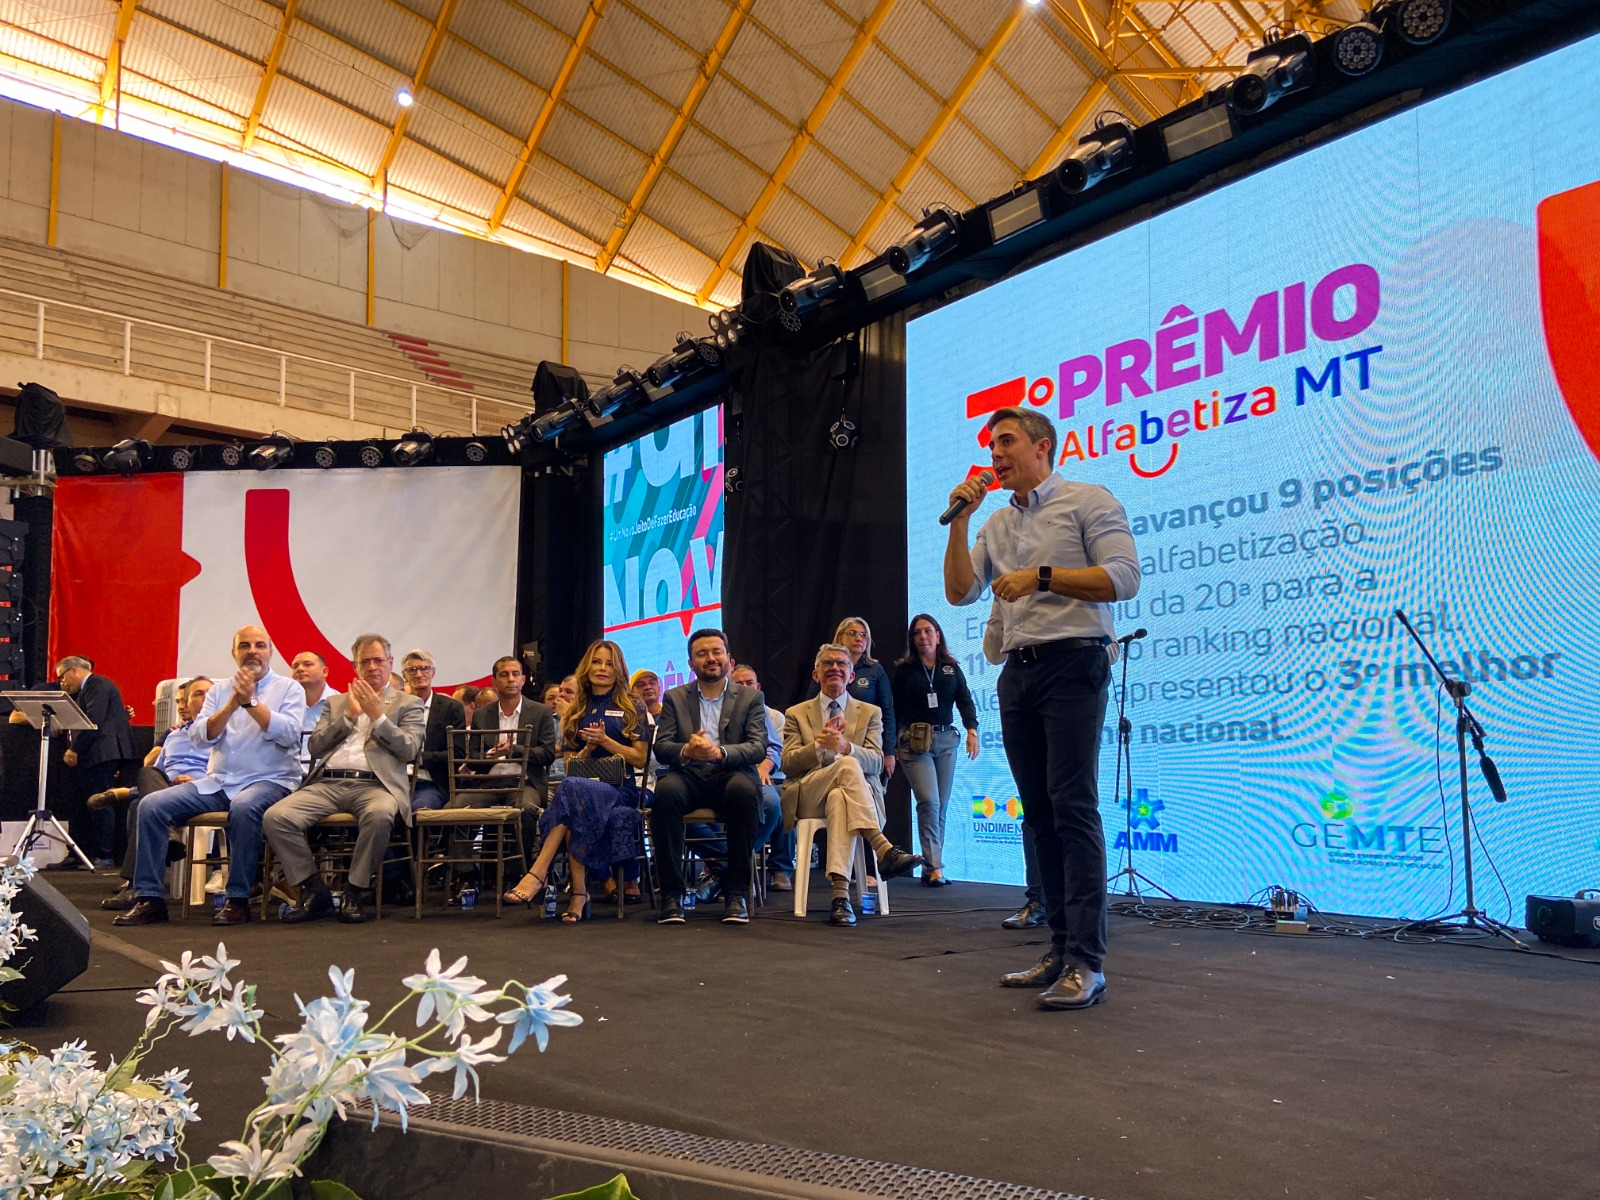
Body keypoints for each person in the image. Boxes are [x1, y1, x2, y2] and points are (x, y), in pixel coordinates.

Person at [943, 405, 1140, 1010]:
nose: (995, 454)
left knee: (1073, 808)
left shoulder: (1087, 500)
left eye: (1006, 442)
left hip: (1075, 663)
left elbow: (1124, 578)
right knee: (1040, 816)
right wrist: (960, 522)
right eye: (991, 446)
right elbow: (959, 592)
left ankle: (1088, 962)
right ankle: (1059, 948)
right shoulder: (995, 523)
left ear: (1042, 446)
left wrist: (1044, 577)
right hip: (1018, 674)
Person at [114, 625, 307, 927]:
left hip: (270, 780)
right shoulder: (219, 691)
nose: (252, 651)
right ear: (234, 653)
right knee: (150, 806)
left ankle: (238, 899)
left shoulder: (289, 688)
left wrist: (250, 703)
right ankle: (149, 898)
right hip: (219, 782)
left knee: (244, 807)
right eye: (244, 646)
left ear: (271, 652)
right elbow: (200, 737)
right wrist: (232, 705)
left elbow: (289, 734)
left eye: (260, 645)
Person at [264, 634, 424, 924]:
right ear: (355, 666)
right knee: (276, 817)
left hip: (376, 785)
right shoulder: (336, 702)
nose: (372, 667)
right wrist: (349, 717)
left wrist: (378, 717)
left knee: (380, 815)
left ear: (390, 663)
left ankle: (355, 891)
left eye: (378, 660)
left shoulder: (408, 703)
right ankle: (315, 891)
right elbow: (315, 747)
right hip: (328, 783)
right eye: (365, 662)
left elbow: (409, 749)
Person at [502, 640, 648, 919]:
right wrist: (589, 748)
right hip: (581, 788)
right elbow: (570, 766)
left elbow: (640, 758)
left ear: (619, 669)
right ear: (586, 667)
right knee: (573, 798)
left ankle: (540, 874)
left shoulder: (633, 705)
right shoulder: (578, 708)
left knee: (569, 796)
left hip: (620, 789)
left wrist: (606, 741)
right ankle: (578, 893)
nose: (602, 668)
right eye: (596, 662)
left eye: (609, 664)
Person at [781, 644, 924, 927]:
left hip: (854, 798)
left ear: (851, 675)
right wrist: (819, 746)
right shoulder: (796, 713)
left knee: (840, 795)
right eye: (827, 663)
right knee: (846, 766)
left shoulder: (870, 712)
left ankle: (840, 897)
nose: (835, 668)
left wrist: (846, 747)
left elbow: (876, 761)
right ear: (815, 674)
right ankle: (883, 847)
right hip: (810, 794)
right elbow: (788, 763)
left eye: (842, 664)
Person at [648, 628, 768, 926]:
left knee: (744, 792)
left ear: (729, 658)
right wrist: (687, 750)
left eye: (716, 652)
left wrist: (719, 752)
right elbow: (662, 746)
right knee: (665, 793)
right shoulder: (675, 697)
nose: (710, 658)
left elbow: (757, 746)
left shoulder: (751, 697)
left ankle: (736, 894)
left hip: (730, 773)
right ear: (691, 663)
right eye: (702, 654)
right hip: (688, 774)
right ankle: (672, 896)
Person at [96, 676, 213, 910]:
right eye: (195, 695)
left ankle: (136, 886)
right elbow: (155, 771)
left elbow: (232, 773)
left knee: (142, 805)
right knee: (148, 776)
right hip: (167, 790)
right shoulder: (173, 736)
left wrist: (199, 780)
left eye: (207, 694)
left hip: (202, 791)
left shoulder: (227, 733)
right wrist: (167, 781)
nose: (201, 699)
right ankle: (162, 843)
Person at [891, 614, 979, 886]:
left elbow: (965, 700)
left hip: (945, 740)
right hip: (915, 741)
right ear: (912, 639)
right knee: (929, 802)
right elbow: (894, 709)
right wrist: (891, 745)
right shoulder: (905, 670)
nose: (923, 637)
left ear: (938, 636)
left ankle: (931, 866)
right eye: (917, 633)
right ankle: (935, 866)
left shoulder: (950, 667)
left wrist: (972, 730)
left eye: (928, 631)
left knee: (940, 806)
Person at [467, 656, 557, 853]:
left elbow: (547, 754)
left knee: (526, 810)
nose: (511, 679)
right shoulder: (481, 714)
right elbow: (472, 758)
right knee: (453, 808)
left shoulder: (540, 712)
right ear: (494, 682)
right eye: (504, 674)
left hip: (524, 782)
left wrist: (513, 750)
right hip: (488, 783)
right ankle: (463, 870)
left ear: (523, 680)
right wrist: (488, 756)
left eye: (515, 674)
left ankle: (520, 869)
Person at [54, 654, 135, 869]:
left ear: (73, 670)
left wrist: (74, 749)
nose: (62, 683)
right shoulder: (89, 689)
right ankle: (80, 853)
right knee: (81, 805)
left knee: (100, 803)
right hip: (93, 755)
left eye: (62, 677)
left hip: (101, 754)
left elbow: (92, 722)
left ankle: (104, 855)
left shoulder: (97, 684)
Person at [808, 618, 896, 780]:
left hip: (863, 743)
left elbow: (888, 711)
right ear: (840, 637)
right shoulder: (825, 668)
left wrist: (889, 751)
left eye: (863, 635)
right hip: (827, 742)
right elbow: (810, 706)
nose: (859, 638)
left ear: (852, 676)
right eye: (853, 633)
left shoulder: (875, 670)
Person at [400, 648, 466, 812]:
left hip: (431, 782)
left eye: (424, 668)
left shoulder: (451, 707)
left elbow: (458, 753)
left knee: (418, 810)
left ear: (433, 673)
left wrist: (420, 758)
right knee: (382, 809)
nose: (418, 674)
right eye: (412, 670)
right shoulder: (397, 706)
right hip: (398, 781)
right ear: (405, 675)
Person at [290, 652, 330, 772]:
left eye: (307, 664)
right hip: (289, 777)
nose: (300, 669)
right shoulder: (286, 705)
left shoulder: (341, 704)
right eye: (295, 666)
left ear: (324, 672)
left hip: (327, 777)